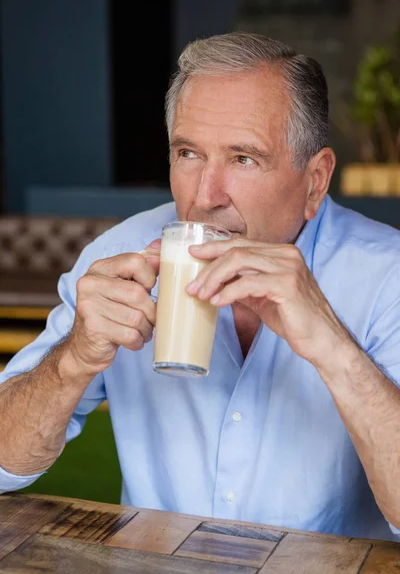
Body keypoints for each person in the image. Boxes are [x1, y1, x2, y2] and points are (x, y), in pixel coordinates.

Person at [1, 31, 400, 542]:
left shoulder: (386, 277)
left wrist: (335, 350)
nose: (206, 196)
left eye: (244, 159)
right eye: (188, 153)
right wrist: (73, 360)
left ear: (315, 180)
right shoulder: (116, 255)